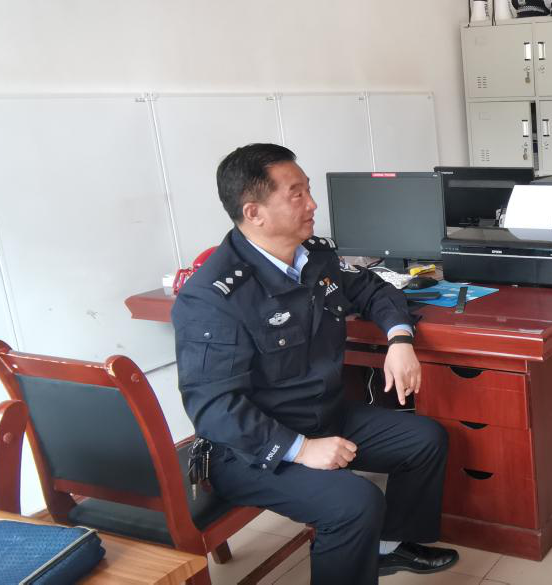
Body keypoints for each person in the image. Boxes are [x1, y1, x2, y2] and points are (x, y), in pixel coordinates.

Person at [172, 143, 458, 584]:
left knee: (424, 439)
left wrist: (400, 338)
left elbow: (372, 289)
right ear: (254, 213)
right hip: (248, 450)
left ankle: (386, 548)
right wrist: (301, 449)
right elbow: (215, 410)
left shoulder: (313, 257)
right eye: (297, 194)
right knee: (355, 503)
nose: (312, 204)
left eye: (308, 190)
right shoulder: (214, 297)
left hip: (323, 416)